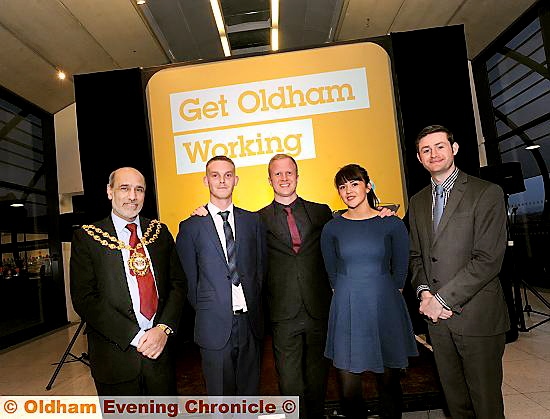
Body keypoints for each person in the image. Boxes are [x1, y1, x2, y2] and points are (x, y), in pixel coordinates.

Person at [409, 125, 509, 419]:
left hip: (478, 319)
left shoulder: (486, 192)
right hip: (438, 325)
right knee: (456, 404)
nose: (434, 154)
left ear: (454, 149)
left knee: (486, 404)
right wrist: (425, 292)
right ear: (419, 158)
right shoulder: (416, 203)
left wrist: (441, 301)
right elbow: (417, 257)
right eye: (426, 150)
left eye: (440, 146)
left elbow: (488, 259)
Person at [70, 167, 187, 396]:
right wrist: (135, 336)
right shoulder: (87, 237)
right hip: (114, 361)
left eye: (139, 189)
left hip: (160, 355)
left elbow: (178, 284)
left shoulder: (159, 232)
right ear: (109, 191)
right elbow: (84, 299)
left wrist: (163, 329)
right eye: (124, 188)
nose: (132, 196)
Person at [321, 164, 417, 419]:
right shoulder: (332, 228)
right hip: (347, 307)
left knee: (388, 383)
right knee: (349, 386)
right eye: (342, 186)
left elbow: (400, 271)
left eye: (354, 183)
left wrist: (383, 292)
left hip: (384, 306)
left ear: (368, 185)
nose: (348, 190)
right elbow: (331, 272)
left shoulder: (392, 224)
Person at [176, 155, 265, 396]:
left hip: (250, 325)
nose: (222, 181)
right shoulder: (191, 226)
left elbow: (260, 270)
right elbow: (188, 281)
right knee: (221, 399)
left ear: (236, 180)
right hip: (213, 326)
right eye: (215, 175)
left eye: (227, 175)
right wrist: (211, 309)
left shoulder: (253, 221)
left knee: (249, 396)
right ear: (206, 181)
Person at [258, 154, 333, 419]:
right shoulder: (257, 220)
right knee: (289, 382)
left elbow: (350, 226)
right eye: (278, 174)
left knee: (318, 378)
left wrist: (379, 211)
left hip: (318, 308)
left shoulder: (322, 211)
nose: (284, 178)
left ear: (298, 176)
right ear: (269, 180)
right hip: (282, 311)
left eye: (289, 172)